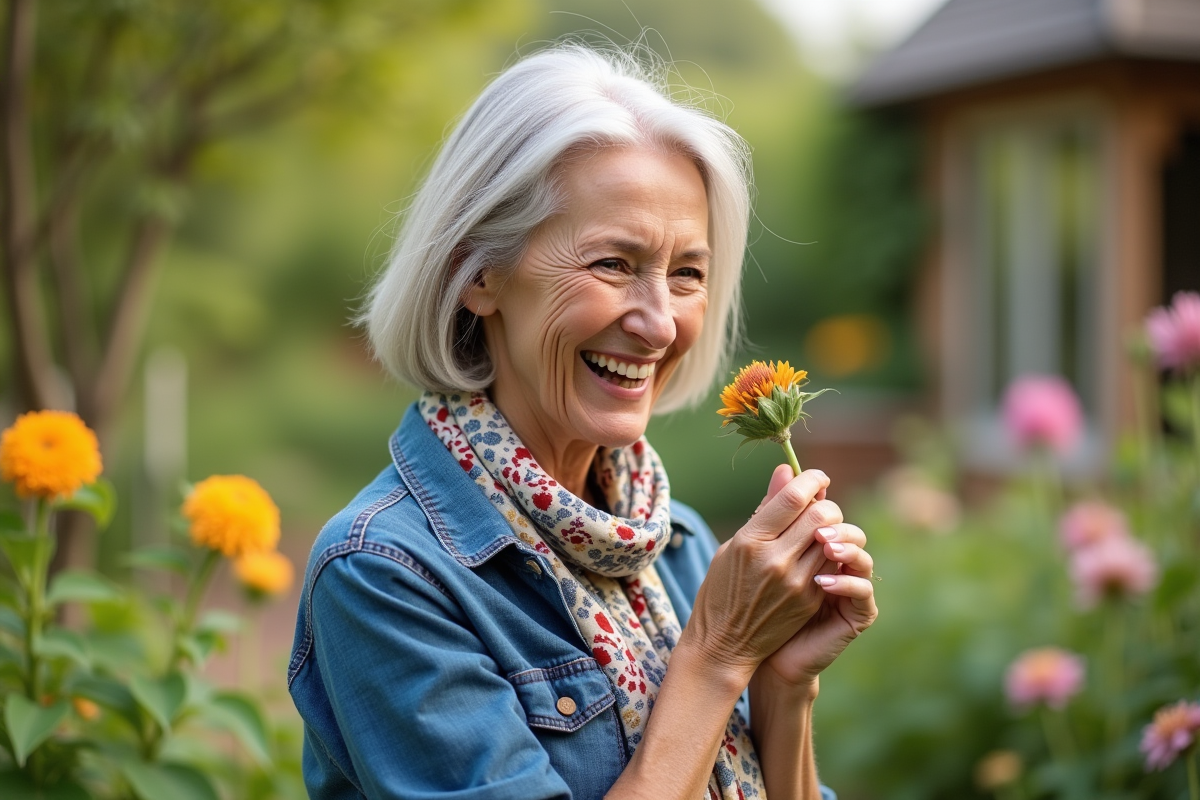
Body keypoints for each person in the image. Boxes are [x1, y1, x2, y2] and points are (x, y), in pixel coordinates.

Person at [287, 45, 877, 800]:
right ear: (481, 274)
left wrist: (784, 685)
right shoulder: (383, 574)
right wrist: (717, 656)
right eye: (612, 264)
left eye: (687, 273)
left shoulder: (681, 545)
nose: (660, 324)